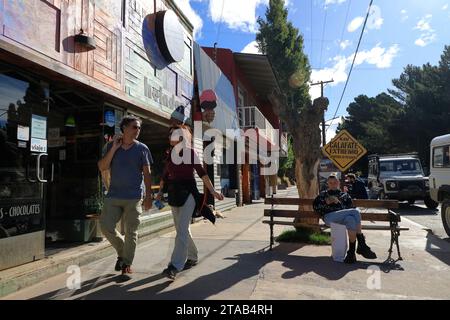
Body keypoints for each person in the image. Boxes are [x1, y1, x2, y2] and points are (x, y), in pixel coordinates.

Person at [155, 124, 224, 280]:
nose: (169, 136)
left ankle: (174, 266)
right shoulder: (169, 153)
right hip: (173, 194)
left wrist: (213, 191)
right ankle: (192, 256)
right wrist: (159, 192)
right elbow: (165, 176)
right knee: (182, 229)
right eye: (169, 134)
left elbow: (202, 173)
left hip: (189, 194)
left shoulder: (190, 153)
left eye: (173, 134)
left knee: (181, 230)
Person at [97, 115, 153, 275]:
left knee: (131, 232)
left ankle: (126, 264)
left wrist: (148, 196)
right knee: (106, 227)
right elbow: (102, 166)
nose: (138, 130)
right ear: (125, 128)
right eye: (135, 127)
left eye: (139, 128)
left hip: (134, 197)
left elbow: (147, 173)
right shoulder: (111, 146)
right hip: (114, 195)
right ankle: (123, 252)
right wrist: (114, 147)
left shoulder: (142, 148)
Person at [313, 175, 377, 264]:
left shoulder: (345, 195)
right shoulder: (323, 194)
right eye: (330, 183)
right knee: (355, 212)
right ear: (328, 184)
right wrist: (326, 202)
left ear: (338, 183)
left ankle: (351, 254)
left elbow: (350, 208)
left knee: (351, 219)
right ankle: (362, 245)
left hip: (343, 219)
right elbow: (316, 207)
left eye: (335, 182)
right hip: (329, 217)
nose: (333, 184)